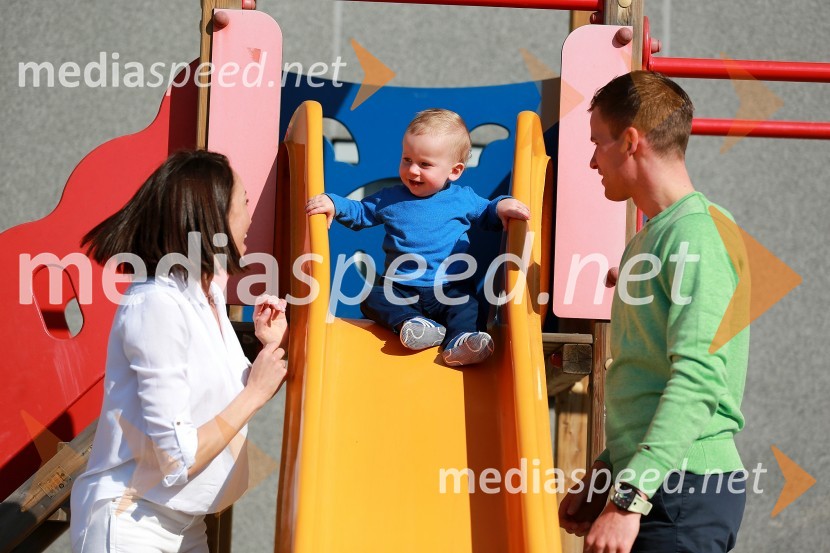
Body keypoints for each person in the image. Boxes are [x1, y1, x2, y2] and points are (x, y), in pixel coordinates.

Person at [558, 71, 750, 553]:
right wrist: (607, 469)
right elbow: (651, 376)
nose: (590, 159)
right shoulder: (653, 237)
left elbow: (700, 378)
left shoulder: (697, 235)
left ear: (630, 141)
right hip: (656, 485)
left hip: (681, 490)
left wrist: (627, 500)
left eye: (597, 142)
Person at [70, 150, 289, 553]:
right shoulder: (156, 305)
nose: (250, 212)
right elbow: (177, 458)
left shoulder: (206, 293)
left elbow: (228, 403)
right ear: (213, 216)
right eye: (243, 201)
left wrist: (267, 349)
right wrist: (255, 393)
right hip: (131, 521)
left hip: (185, 524)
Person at [305, 108, 530, 366]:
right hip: (401, 288)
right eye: (407, 159)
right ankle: (413, 326)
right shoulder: (389, 199)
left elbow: (488, 212)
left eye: (425, 164)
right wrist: (334, 203)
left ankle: (461, 342)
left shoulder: (462, 199)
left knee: (468, 306)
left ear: (454, 171)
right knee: (372, 299)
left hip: (450, 287)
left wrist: (503, 205)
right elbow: (360, 212)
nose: (413, 171)